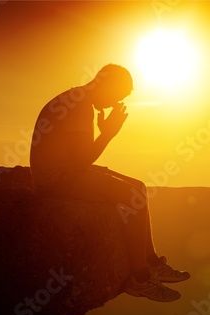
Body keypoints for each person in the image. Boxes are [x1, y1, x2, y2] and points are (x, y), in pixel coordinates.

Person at [29, 63, 190, 302]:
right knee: (134, 196)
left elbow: (77, 158)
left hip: (59, 172)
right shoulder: (80, 106)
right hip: (57, 180)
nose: (116, 102)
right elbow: (82, 161)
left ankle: (152, 262)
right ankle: (141, 278)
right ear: (107, 84)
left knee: (139, 186)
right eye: (118, 95)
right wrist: (108, 133)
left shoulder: (77, 99)